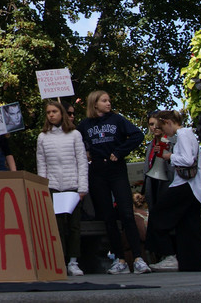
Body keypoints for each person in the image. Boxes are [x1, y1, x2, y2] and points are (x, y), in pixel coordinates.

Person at [77, 90, 150, 274]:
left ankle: (138, 258)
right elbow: (76, 141)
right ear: (95, 104)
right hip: (97, 172)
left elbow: (137, 135)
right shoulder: (85, 124)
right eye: (104, 100)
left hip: (116, 170)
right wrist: (86, 151)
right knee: (108, 217)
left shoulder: (117, 120)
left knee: (126, 212)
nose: (108, 103)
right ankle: (120, 259)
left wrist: (119, 151)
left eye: (109, 100)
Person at [147, 110, 201, 272]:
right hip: (193, 188)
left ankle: (169, 255)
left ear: (168, 122)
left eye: (162, 127)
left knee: (158, 215)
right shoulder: (186, 135)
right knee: (188, 228)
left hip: (185, 186)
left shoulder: (183, 134)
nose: (164, 132)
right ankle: (193, 265)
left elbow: (187, 160)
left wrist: (169, 157)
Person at [36, 101, 88, 276]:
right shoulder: (42, 137)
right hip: (53, 186)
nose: (51, 115)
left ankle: (74, 261)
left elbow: (82, 162)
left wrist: (82, 188)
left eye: (54, 111)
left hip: (72, 185)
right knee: (56, 226)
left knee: (74, 226)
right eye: (48, 112)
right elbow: (41, 164)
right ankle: (60, 260)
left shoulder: (75, 135)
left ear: (62, 113)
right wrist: (43, 186)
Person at [143, 110, 176, 266]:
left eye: (157, 124)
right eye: (151, 124)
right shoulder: (150, 145)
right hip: (154, 185)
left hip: (168, 185)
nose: (154, 127)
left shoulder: (171, 142)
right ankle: (163, 254)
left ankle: (171, 253)